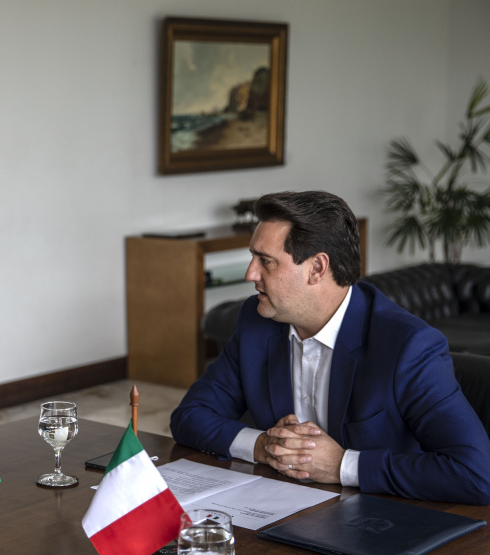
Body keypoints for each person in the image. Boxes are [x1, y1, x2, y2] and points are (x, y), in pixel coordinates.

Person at [171, 190, 490, 505]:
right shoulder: (256, 322)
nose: (250, 274)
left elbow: (476, 474)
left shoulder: (408, 346)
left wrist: (341, 465)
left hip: (382, 520)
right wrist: (264, 445)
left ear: (317, 269)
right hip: (279, 509)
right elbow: (189, 416)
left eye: (265, 262)